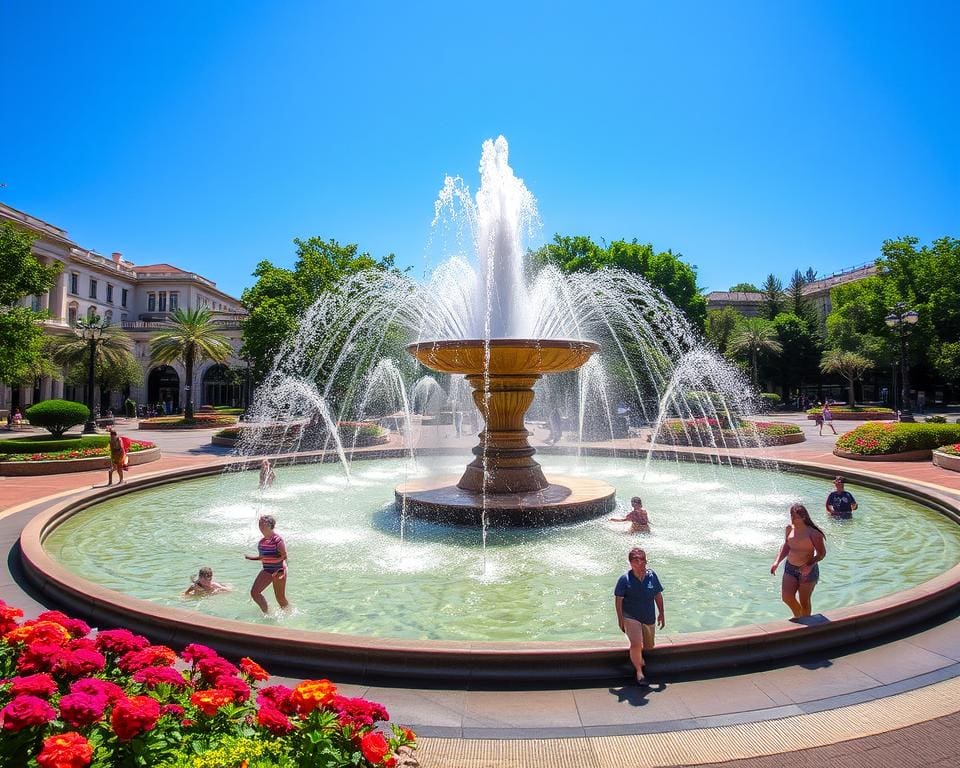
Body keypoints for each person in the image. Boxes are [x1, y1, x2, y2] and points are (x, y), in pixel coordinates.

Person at [614, 547, 665, 685]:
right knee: (636, 643)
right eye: (637, 560)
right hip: (631, 616)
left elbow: (657, 594)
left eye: (643, 560)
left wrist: (662, 613)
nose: (641, 563)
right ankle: (639, 672)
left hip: (648, 616)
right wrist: (620, 619)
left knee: (648, 645)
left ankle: (638, 658)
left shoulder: (652, 576)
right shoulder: (624, 579)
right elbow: (619, 600)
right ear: (631, 563)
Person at [770, 503, 827, 618]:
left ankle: (805, 624)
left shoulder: (813, 533)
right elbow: (786, 546)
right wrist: (777, 562)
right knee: (787, 597)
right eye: (791, 515)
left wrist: (809, 565)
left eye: (796, 516)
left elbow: (821, 554)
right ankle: (799, 617)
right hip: (790, 567)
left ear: (803, 517)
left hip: (808, 570)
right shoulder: (789, 528)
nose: (793, 518)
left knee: (804, 601)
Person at [245, 514, 289, 613]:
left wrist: (282, 572)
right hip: (267, 570)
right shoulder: (261, 542)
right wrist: (250, 558)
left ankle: (288, 614)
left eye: (263, 524)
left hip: (278, 570)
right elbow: (263, 558)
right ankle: (267, 613)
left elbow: (284, 557)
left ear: (270, 525)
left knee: (280, 598)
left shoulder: (278, 540)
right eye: (259, 524)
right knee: (255, 593)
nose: (261, 527)